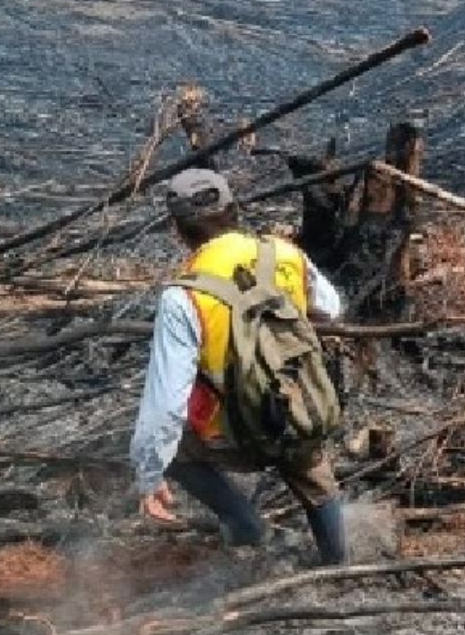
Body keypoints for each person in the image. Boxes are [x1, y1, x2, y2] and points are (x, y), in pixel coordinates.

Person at [129, 168, 349, 564]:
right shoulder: (287, 254)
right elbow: (332, 309)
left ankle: (245, 523)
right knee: (311, 465)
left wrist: (149, 476)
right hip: (298, 414)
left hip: (235, 431)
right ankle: (338, 566)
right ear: (234, 210)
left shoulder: (183, 297)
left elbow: (165, 405)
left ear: (177, 230)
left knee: (173, 449)